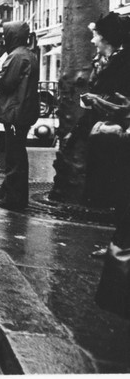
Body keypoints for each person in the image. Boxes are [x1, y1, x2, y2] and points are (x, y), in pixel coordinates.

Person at [78, 14, 130, 258]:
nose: (92, 40)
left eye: (96, 35)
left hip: (120, 134)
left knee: (122, 192)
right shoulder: (108, 61)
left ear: (106, 38)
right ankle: (118, 246)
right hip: (112, 133)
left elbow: (119, 99)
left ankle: (120, 249)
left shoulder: (122, 62)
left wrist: (97, 100)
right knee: (119, 194)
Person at [0, 21, 39, 210]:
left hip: (15, 112)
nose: (4, 39)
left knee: (14, 157)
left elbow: (7, 83)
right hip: (22, 111)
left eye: (6, 35)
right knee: (16, 155)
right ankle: (10, 194)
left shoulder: (17, 56)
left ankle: (14, 199)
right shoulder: (28, 54)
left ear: (13, 36)